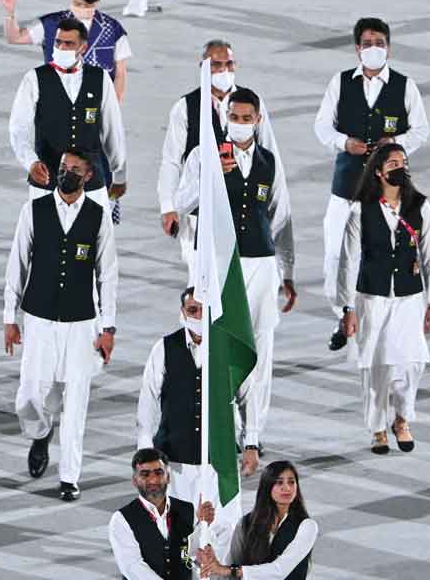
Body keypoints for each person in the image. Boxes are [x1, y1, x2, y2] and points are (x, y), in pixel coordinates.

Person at [176, 88, 297, 476]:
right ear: (224, 117)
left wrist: (287, 272)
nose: (240, 124)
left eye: (247, 118)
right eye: (234, 117)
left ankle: (253, 433)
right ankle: (219, 424)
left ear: (258, 120)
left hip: (260, 264)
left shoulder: (269, 162)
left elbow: (280, 218)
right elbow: (184, 202)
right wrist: (214, 175)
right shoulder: (203, 156)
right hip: (218, 262)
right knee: (217, 344)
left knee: (259, 348)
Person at [3, 149, 118, 501]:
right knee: (30, 395)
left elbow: (108, 274)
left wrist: (109, 328)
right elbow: (17, 263)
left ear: (87, 176)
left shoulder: (98, 217)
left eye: (75, 170)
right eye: (63, 168)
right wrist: (10, 318)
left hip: (82, 321)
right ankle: (40, 433)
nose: (66, 173)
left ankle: (70, 477)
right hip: (38, 318)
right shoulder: (34, 211)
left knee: (76, 400)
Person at [314, 17, 430, 352]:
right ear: (357, 49)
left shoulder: (404, 86)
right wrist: (343, 143)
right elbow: (322, 125)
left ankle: (390, 318)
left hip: (389, 191)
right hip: (347, 183)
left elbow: (421, 130)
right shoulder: (341, 83)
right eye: (367, 43)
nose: (374, 48)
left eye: (380, 43)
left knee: (388, 251)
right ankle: (342, 313)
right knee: (336, 252)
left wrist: (395, 142)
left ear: (389, 47)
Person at [337, 144, 430, 454]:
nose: (401, 166)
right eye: (394, 162)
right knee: (374, 364)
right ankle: (377, 428)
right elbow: (348, 260)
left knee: (411, 362)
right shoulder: (360, 209)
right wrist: (347, 308)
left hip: (410, 297)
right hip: (372, 297)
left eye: (404, 161)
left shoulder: (420, 206)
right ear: (379, 171)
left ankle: (402, 418)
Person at [158, 40, 286, 284]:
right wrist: (168, 206)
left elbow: (269, 152)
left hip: (244, 209)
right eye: (216, 65)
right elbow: (171, 160)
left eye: (228, 64)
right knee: (201, 283)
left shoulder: (251, 104)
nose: (223, 70)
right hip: (200, 213)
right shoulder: (185, 107)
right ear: (203, 67)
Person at [137, 287, 238, 561]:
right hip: (175, 461)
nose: (197, 315)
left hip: (217, 460)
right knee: (175, 530)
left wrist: (249, 442)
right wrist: (145, 453)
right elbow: (148, 402)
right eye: (192, 310)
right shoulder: (164, 348)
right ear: (182, 313)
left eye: (202, 309)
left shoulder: (227, 347)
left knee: (222, 527)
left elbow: (243, 395)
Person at [9, 16, 127, 211]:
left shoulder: (100, 78)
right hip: (47, 182)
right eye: (58, 42)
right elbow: (19, 128)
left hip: (91, 184)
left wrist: (119, 173)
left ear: (83, 47)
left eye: (69, 43)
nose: (61, 48)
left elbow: (112, 130)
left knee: (95, 238)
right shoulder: (34, 78)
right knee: (47, 239)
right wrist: (31, 162)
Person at [0, 0, 130, 102]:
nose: (83, 9)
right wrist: (10, 13)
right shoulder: (52, 24)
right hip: (58, 100)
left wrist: (113, 107)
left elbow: (120, 74)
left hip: (96, 102)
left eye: (89, 5)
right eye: (77, 4)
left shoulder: (113, 29)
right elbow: (15, 37)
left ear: (98, 1)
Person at [197, 461, 318, 580]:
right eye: (279, 482)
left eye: (291, 482)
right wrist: (212, 565)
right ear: (267, 486)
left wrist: (225, 569)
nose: (286, 488)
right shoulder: (246, 523)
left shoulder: (307, 526)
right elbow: (229, 569)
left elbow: (279, 570)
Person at [109, 448, 217, 580]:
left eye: (159, 472)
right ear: (134, 480)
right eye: (145, 474)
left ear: (168, 477)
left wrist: (203, 525)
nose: (153, 480)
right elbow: (132, 567)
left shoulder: (187, 509)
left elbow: (189, 555)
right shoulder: (121, 519)